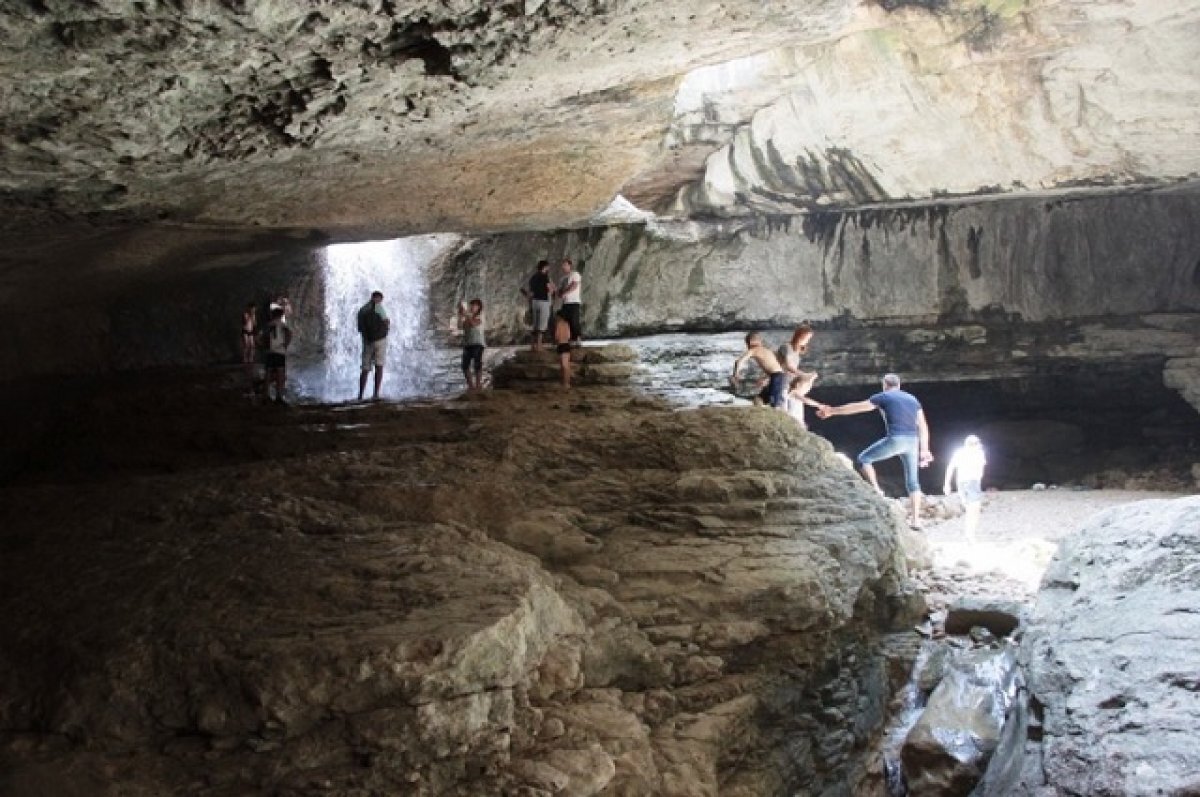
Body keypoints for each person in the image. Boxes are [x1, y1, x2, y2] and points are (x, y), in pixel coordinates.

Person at [817, 373, 932, 526]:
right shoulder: (913, 399)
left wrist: (832, 411)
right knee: (913, 482)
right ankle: (916, 521)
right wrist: (925, 450)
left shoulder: (883, 397)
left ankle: (877, 491)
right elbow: (923, 426)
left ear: (884, 385)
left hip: (896, 439)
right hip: (913, 442)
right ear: (899, 385)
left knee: (864, 459)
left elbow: (857, 407)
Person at [944, 434, 987, 542]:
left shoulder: (959, 452)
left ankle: (969, 533)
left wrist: (947, 484)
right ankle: (970, 534)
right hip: (971, 482)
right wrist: (947, 484)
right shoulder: (978, 453)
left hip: (962, 483)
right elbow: (980, 469)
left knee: (970, 509)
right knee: (975, 509)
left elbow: (950, 468)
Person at [730, 331, 788, 410]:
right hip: (776, 376)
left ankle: (776, 416)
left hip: (777, 377)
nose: (747, 347)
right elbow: (774, 367)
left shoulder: (754, 350)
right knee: (759, 399)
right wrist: (766, 379)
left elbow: (738, 361)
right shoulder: (767, 350)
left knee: (774, 403)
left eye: (746, 343)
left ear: (750, 342)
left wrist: (735, 375)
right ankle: (760, 412)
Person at [356, 290, 390, 401]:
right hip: (380, 341)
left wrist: (367, 336)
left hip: (367, 342)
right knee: (379, 367)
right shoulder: (379, 308)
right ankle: (376, 394)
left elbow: (360, 328)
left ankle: (360, 395)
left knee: (365, 369)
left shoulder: (362, 310)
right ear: (378, 298)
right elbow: (386, 322)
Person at [261, 305, 292, 405]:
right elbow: (289, 334)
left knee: (268, 374)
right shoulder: (282, 324)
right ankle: (279, 397)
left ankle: (266, 396)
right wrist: (285, 345)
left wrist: (263, 346)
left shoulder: (268, 325)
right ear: (280, 315)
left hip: (269, 352)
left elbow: (258, 337)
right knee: (280, 374)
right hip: (279, 352)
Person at [524, 260, 554, 351]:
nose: (548, 268)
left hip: (534, 302)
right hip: (543, 302)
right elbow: (550, 289)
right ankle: (539, 345)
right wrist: (553, 289)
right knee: (542, 324)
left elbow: (530, 292)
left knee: (535, 324)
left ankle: (533, 345)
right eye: (548, 267)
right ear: (544, 267)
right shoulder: (545, 277)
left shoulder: (533, 278)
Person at [458, 298, 487, 391]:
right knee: (464, 365)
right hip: (468, 343)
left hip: (478, 343)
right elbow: (461, 326)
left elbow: (474, 324)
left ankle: (478, 385)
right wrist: (461, 315)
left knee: (477, 364)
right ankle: (471, 386)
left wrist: (466, 315)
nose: (472, 307)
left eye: (474, 305)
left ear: (478, 307)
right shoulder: (468, 316)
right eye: (471, 305)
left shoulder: (481, 315)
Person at [558, 257, 582, 346]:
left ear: (570, 265)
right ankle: (571, 338)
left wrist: (565, 293)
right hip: (565, 303)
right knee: (567, 321)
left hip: (574, 302)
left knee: (574, 321)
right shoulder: (562, 278)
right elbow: (560, 291)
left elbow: (574, 285)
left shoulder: (575, 274)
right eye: (562, 265)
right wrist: (559, 293)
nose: (563, 267)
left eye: (565, 265)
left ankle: (578, 339)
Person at [553, 309, 573, 389]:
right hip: (566, 345)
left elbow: (557, 336)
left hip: (561, 345)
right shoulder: (567, 324)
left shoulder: (559, 324)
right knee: (566, 365)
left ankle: (565, 383)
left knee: (564, 366)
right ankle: (566, 382)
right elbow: (568, 336)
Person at [240, 302, 258, 387]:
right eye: (253, 309)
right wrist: (250, 316)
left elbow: (255, 324)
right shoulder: (245, 314)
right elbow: (245, 322)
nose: (253, 310)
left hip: (250, 332)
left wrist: (253, 316)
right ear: (249, 308)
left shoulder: (253, 315)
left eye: (254, 309)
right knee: (246, 346)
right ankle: (245, 359)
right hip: (245, 331)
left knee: (252, 346)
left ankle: (250, 359)